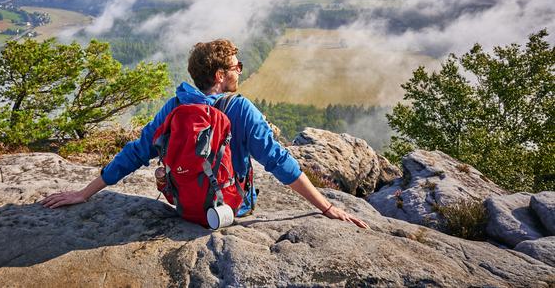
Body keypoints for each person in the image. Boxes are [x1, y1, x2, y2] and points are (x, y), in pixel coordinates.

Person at [41, 39, 369, 229]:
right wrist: (327, 208)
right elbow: (279, 161)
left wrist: (85, 193)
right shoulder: (240, 109)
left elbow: (136, 151)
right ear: (220, 75)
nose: (240, 71)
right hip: (231, 209)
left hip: (184, 206)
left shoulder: (174, 107)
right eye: (236, 67)